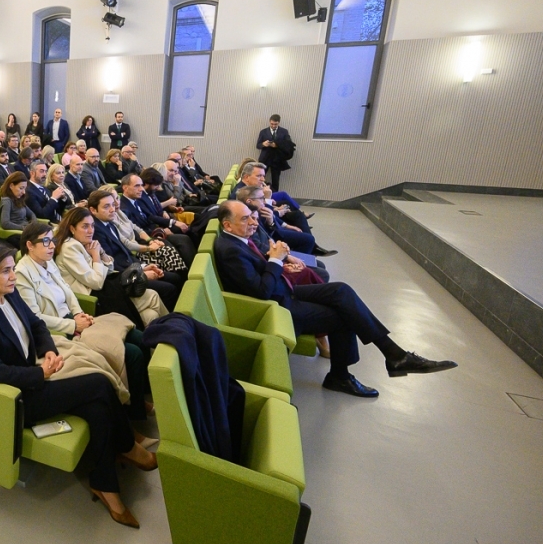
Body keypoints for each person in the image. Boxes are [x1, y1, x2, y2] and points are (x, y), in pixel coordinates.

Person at [0, 243, 154, 526]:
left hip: (38, 369)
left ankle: (105, 485)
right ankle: (127, 444)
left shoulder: (10, 295)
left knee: (98, 408)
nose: (13, 276)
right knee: (99, 384)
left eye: (12, 269)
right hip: (20, 395)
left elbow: (38, 326)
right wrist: (40, 375)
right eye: (5, 272)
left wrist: (49, 350)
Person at [214, 200, 457, 396]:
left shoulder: (238, 241)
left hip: (282, 288)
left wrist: (279, 261)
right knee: (342, 317)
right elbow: (260, 292)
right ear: (227, 225)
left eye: (252, 215)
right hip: (274, 305)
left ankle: (394, 354)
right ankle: (343, 376)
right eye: (245, 218)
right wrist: (276, 260)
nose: (253, 221)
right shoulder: (231, 250)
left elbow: (259, 274)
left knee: (340, 290)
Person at [15, 222, 151, 417]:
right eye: (45, 241)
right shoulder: (22, 274)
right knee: (132, 353)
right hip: (60, 332)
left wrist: (78, 313)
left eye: (52, 240)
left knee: (137, 336)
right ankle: (134, 412)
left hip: (75, 320)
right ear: (29, 245)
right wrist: (73, 324)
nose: (52, 246)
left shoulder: (48, 261)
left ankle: (138, 398)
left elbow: (68, 292)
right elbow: (35, 319)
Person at [54, 207, 166, 329]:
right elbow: (96, 282)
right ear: (72, 228)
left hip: (104, 288)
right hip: (95, 298)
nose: (91, 231)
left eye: (92, 225)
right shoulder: (70, 247)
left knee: (151, 314)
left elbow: (109, 269)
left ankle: (160, 340)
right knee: (153, 296)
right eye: (85, 226)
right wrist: (96, 255)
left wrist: (101, 253)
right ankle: (173, 331)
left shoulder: (82, 243)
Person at [89, 190, 180, 310]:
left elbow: (124, 252)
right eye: (106, 206)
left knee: (175, 278)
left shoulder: (108, 223)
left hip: (133, 266)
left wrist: (143, 266)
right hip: (123, 278)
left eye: (112, 204)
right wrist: (140, 273)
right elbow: (112, 264)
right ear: (93, 210)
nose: (112, 209)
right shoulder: (95, 231)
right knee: (169, 289)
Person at [256, 114, 292, 191]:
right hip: (265, 158)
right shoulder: (263, 132)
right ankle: (260, 194)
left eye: (275, 124)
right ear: (269, 122)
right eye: (272, 124)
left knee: (276, 180)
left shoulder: (284, 132)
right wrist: (263, 144)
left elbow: (288, 144)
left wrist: (277, 145)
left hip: (277, 159)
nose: (273, 126)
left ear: (278, 122)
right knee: (260, 178)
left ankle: (275, 196)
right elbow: (258, 145)